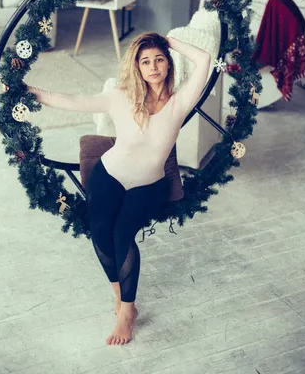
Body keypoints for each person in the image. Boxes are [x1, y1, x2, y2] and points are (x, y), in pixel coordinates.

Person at [27, 32, 211, 345]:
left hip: (148, 184)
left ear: (168, 64)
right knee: (99, 231)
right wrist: (30, 91)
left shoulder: (181, 101)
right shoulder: (121, 97)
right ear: (137, 67)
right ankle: (118, 292)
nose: (153, 67)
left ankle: (128, 311)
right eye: (145, 61)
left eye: (159, 59)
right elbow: (74, 102)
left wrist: (167, 40)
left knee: (121, 234)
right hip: (109, 174)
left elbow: (204, 60)